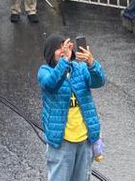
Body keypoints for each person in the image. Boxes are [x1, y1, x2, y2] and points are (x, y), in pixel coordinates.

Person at [38, 34, 106, 181]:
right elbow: (51, 84)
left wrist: (91, 63)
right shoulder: (45, 71)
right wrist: (65, 62)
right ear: (50, 53)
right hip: (62, 140)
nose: (63, 51)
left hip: (85, 139)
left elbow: (99, 81)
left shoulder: (80, 69)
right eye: (59, 48)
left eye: (66, 47)